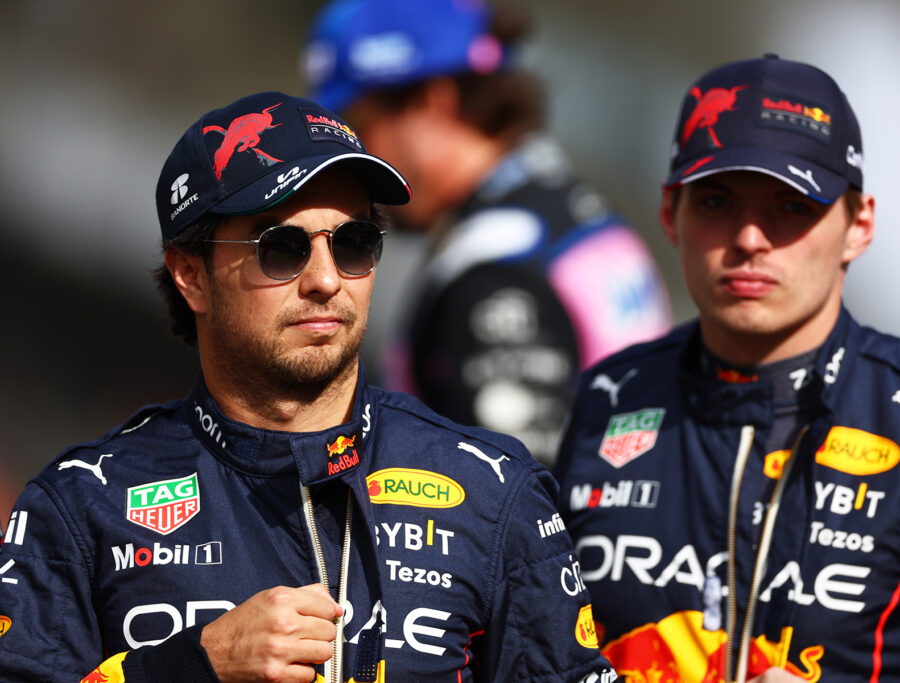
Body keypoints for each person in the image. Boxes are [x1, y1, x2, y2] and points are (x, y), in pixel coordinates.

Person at [0, 91, 619, 683]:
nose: (326, 279)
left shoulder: (493, 488)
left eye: (353, 243)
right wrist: (196, 666)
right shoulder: (82, 505)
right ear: (191, 275)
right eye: (283, 248)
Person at [553, 54, 900, 682]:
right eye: (717, 200)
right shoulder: (609, 397)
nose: (750, 237)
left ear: (859, 226)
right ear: (671, 214)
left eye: (792, 206)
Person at [302, 0, 673, 466]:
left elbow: (514, 507)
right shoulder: (566, 210)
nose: (353, 158)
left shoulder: (494, 268)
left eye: (358, 126)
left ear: (433, 103)